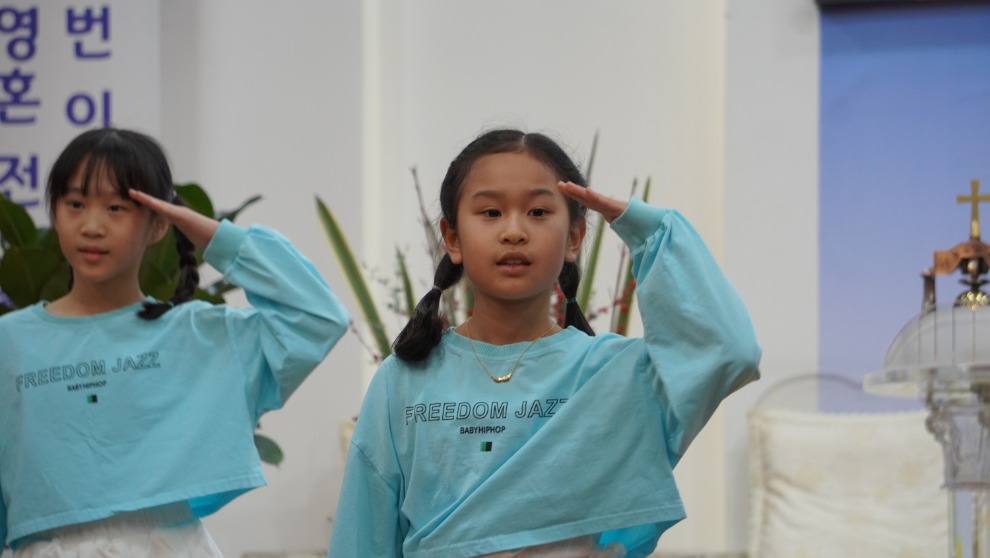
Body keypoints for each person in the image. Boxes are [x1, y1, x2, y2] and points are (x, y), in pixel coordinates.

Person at [327, 129, 761, 558]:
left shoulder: (619, 378)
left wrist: (649, 231)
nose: (514, 231)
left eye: (537, 212)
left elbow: (728, 350)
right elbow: (362, 540)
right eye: (491, 212)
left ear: (574, 237)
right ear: (453, 238)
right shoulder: (403, 381)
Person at [0, 128, 349, 556]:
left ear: (159, 223)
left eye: (116, 207)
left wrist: (213, 236)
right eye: (75, 204)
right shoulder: (10, 342)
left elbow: (317, 317)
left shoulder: (200, 336)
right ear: (54, 213)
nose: (91, 226)